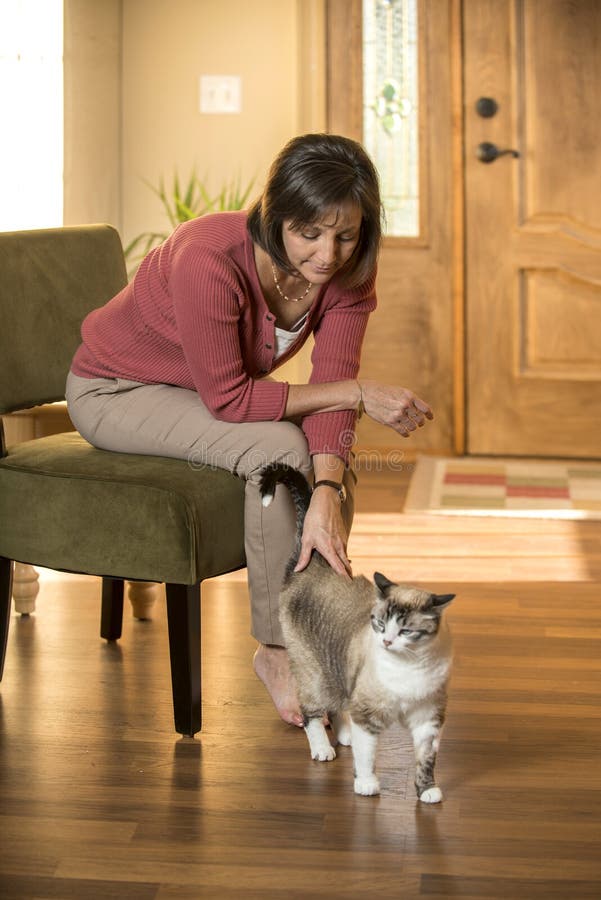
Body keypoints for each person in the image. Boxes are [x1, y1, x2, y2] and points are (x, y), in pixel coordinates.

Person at [66, 133, 433, 727]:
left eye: (346, 235)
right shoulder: (207, 256)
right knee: (281, 449)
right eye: (308, 233)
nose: (327, 255)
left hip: (198, 400)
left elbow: (332, 384)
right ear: (274, 217)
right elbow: (234, 399)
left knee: (318, 465)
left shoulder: (347, 272)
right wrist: (360, 394)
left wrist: (328, 493)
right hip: (116, 392)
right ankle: (279, 650)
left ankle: (316, 631)